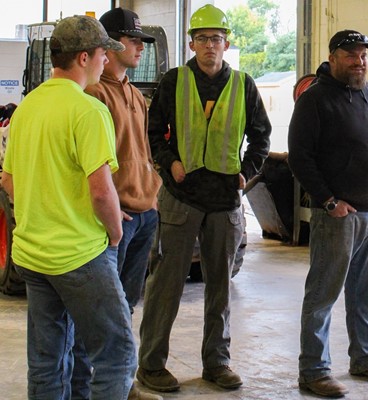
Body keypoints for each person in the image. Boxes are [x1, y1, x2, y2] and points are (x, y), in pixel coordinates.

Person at [1, 15, 138, 399]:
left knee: (47, 361)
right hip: (80, 254)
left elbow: (10, 182)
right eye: (102, 55)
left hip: (32, 254)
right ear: (83, 58)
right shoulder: (88, 111)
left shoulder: (26, 109)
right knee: (117, 353)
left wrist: (46, 209)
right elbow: (100, 192)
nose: (105, 62)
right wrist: (114, 232)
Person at [136, 4, 271, 393]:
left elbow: (261, 134)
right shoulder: (173, 80)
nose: (210, 45)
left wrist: (247, 171)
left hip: (225, 200)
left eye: (216, 39)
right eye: (202, 39)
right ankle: (152, 363)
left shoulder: (243, 84)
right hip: (181, 197)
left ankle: (217, 362)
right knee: (166, 286)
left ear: (226, 43)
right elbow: (154, 128)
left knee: (221, 288)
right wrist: (169, 163)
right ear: (191, 43)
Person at [288, 30, 368, 398]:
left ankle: (366, 359)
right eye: (351, 54)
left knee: (366, 293)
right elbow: (300, 156)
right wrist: (328, 201)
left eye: (364, 55)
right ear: (333, 57)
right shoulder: (315, 99)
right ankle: (314, 370)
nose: (359, 61)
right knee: (323, 293)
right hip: (338, 217)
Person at [79, 8, 163, 400]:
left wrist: (154, 194)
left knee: (126, 306)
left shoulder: (134, 94)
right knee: (100, 313)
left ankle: (122, 383)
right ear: (109, 46)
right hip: (118, 218)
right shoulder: (94, 93)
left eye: (140, 42)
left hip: (144, 213)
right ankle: (89, 385)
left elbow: (143, 152)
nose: (139, 48)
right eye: (133, 41)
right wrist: (113, 212)